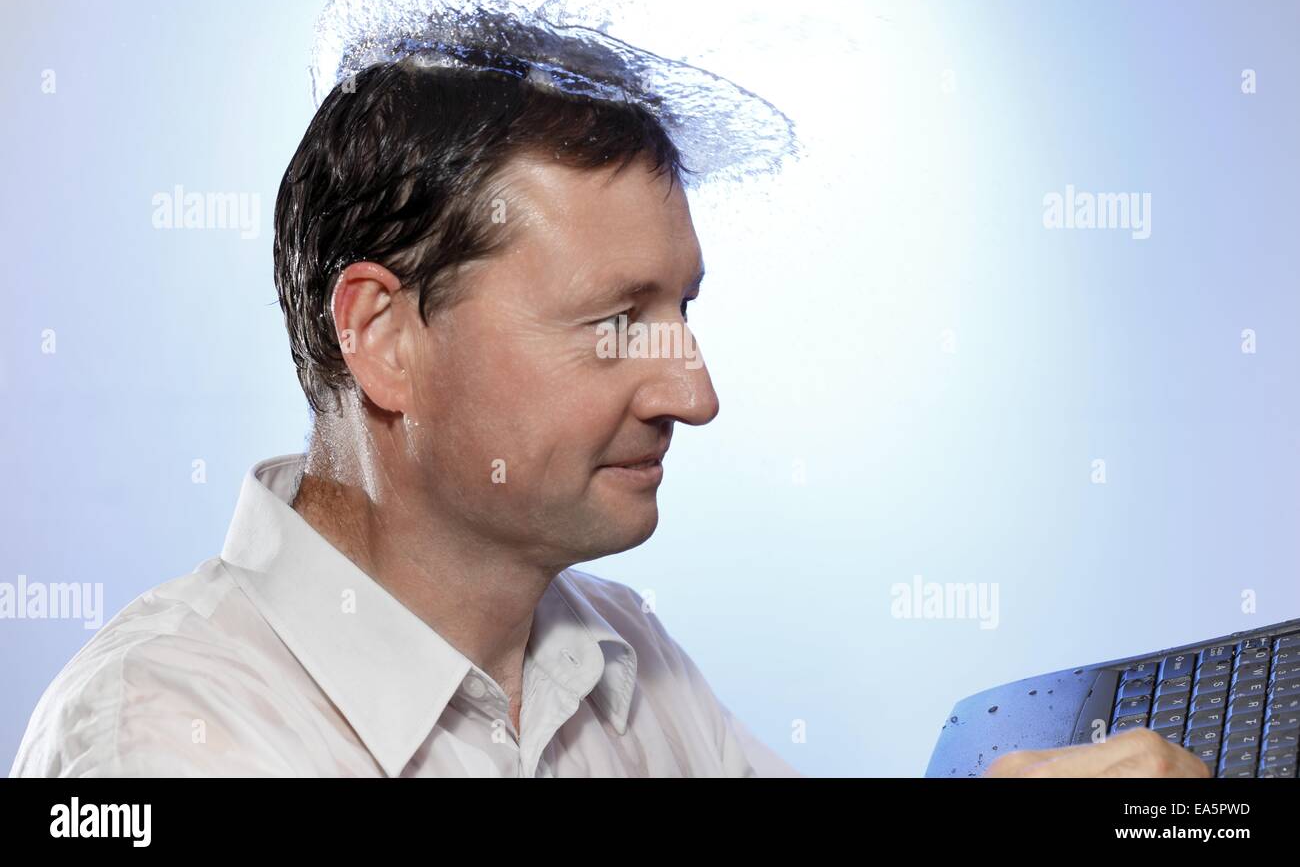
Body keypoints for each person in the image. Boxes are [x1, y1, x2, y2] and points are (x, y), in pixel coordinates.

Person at [9, 60, 1208, 778]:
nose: (693, 392)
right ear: (381, 335)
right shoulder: (162, 739)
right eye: (616, 321)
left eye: (680, 310)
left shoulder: (609, 646)